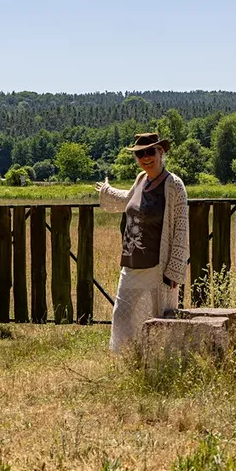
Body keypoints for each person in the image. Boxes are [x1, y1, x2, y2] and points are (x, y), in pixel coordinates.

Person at [95, 132, 189, 353]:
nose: (145, 157)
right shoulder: (140, 179)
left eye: (150, 152)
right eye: (140, 154)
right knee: (122, 314)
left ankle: (156, 360)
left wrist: (175, 269)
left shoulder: (174, 185)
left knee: (157, 317)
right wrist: (107, 191)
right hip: (131, 263)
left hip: (157, 266)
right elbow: (128, 200)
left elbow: (181, 228)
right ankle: (126, 358)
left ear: (161, 152)